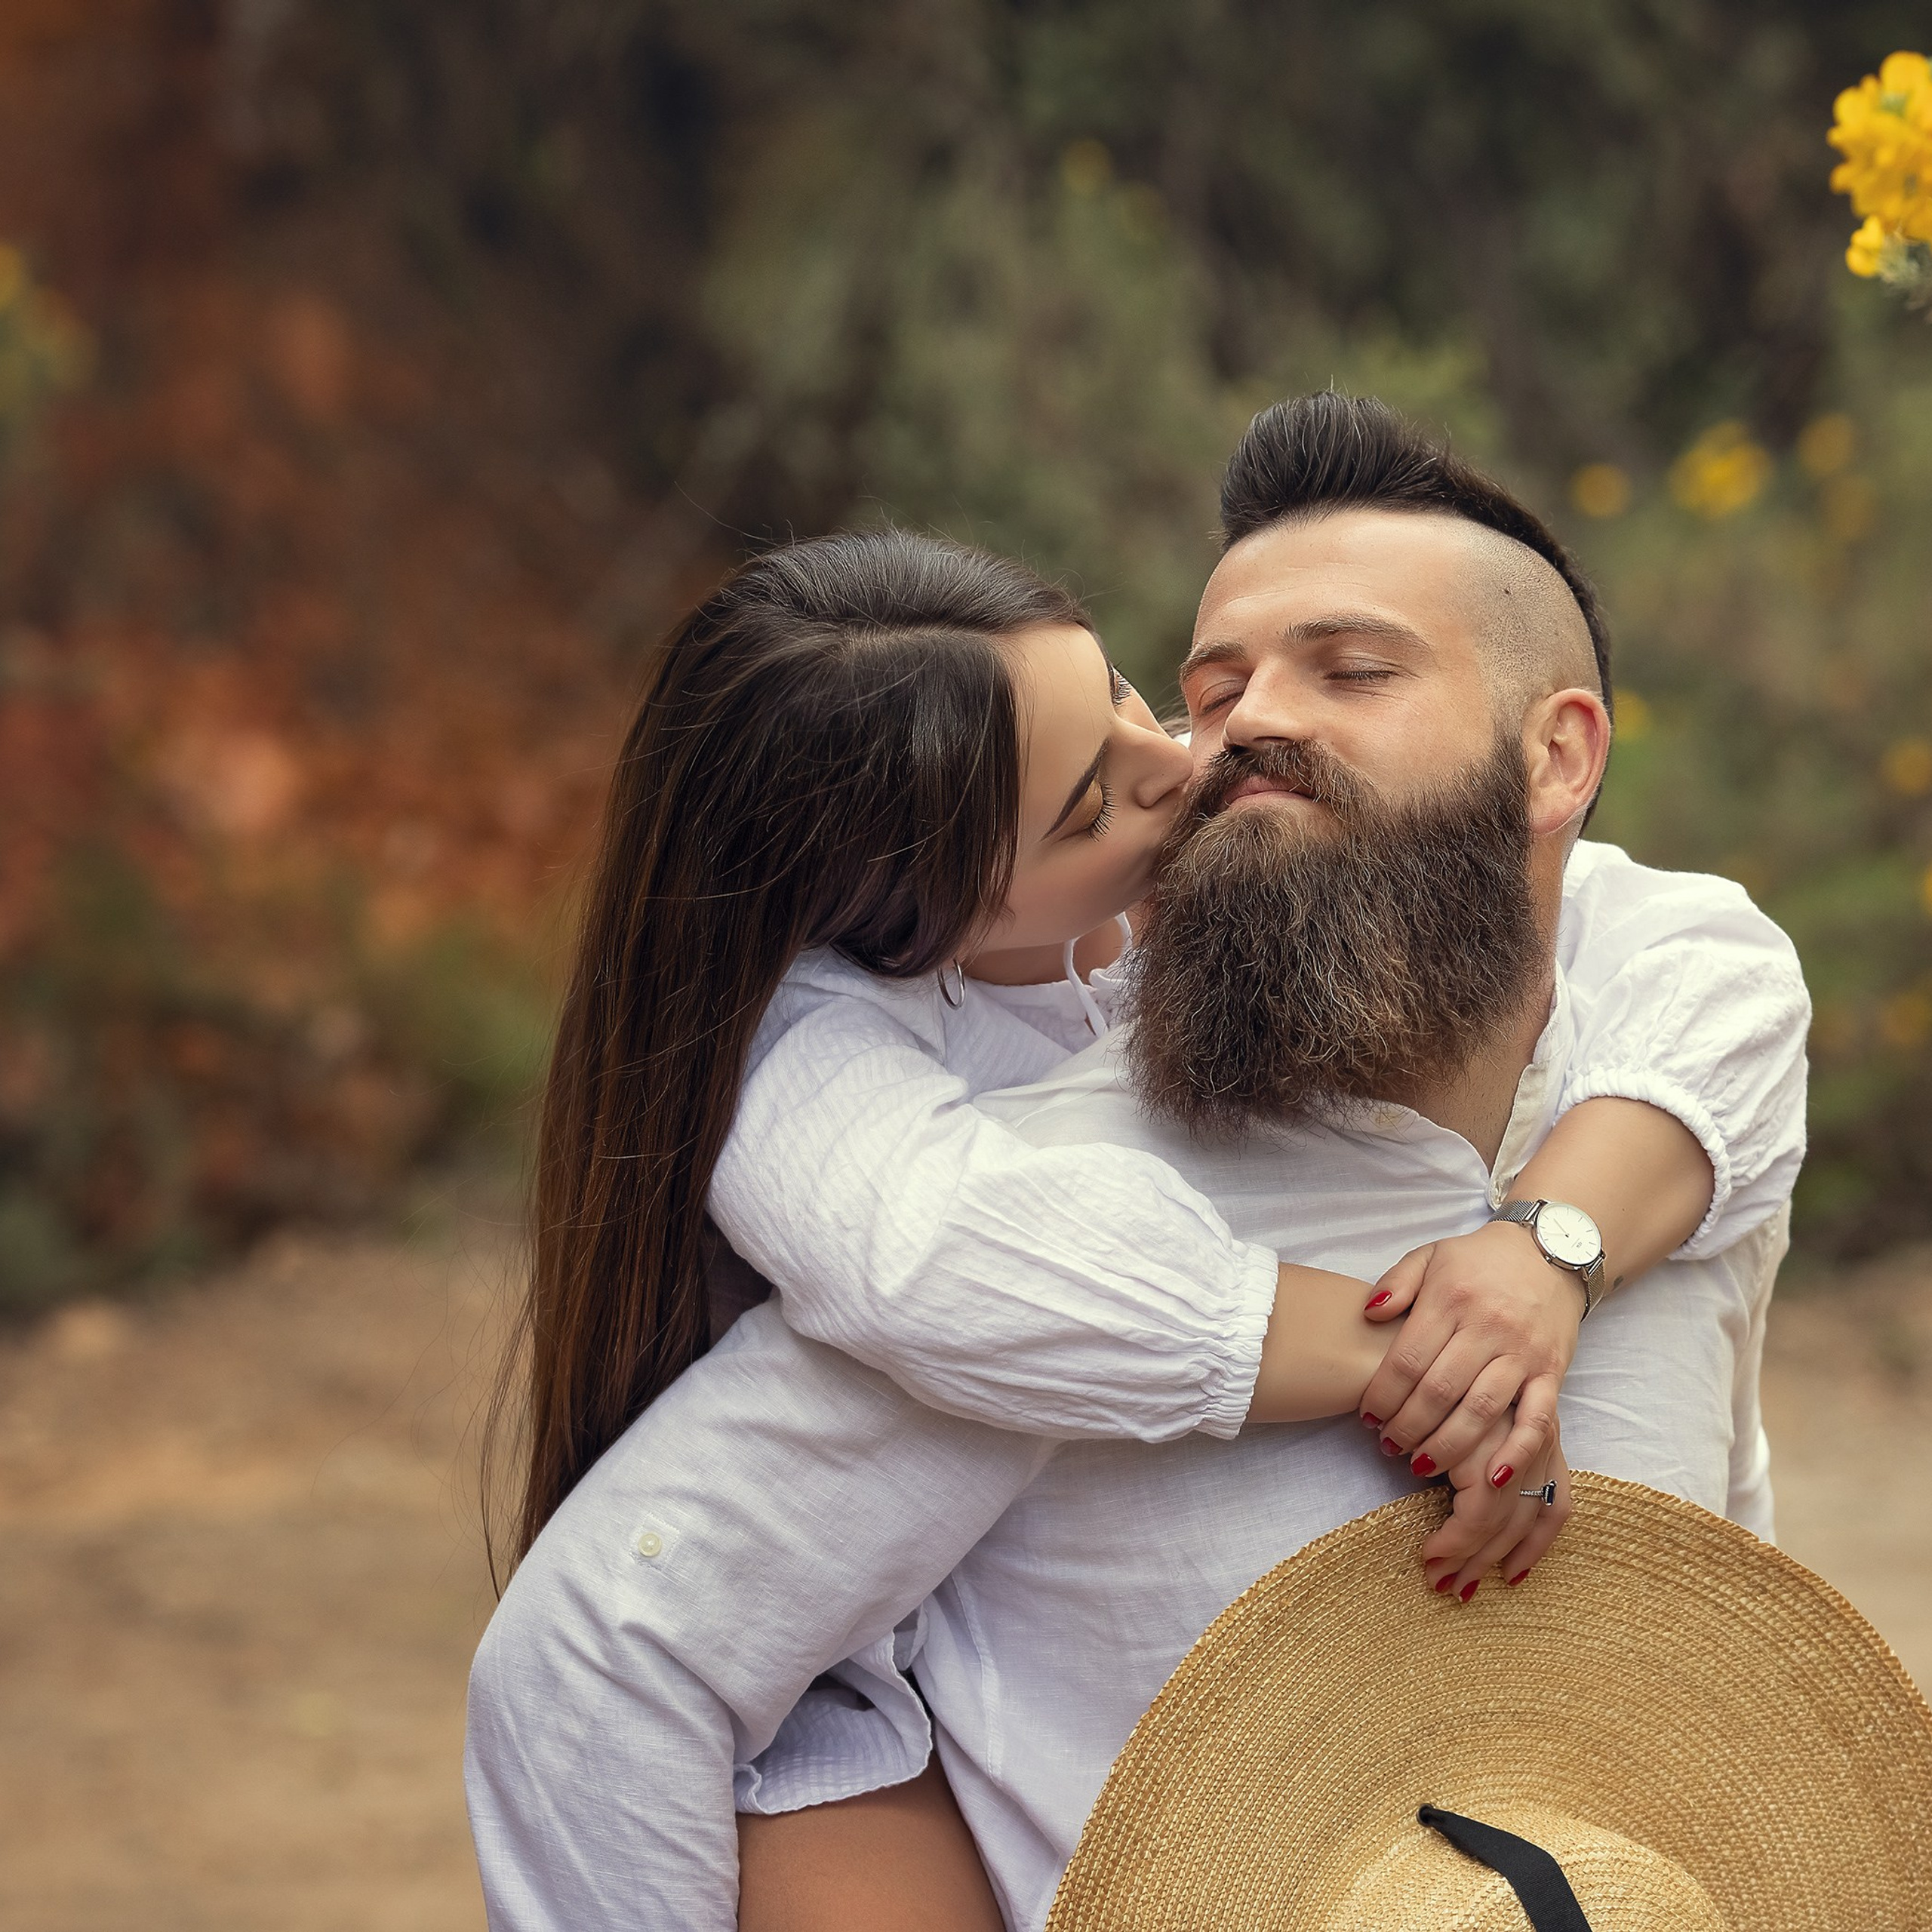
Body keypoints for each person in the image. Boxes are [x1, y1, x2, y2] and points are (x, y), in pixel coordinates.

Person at [465, 395, 1809, 1930]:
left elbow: (1706, 954)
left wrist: (1544, 1248)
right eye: (1211, 685)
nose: (1218, 736)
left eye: (1347, 666)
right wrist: (1404, 1356)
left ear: (1556, 752)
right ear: (957, 914)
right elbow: (601, 1652)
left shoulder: (1656, 1096)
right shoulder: (1034, 1230)